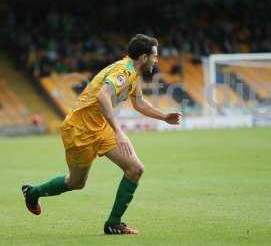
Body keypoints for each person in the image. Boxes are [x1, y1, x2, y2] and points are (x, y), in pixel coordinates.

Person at [22, 34, 182, 235]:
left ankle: (113, 223)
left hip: (100, 127)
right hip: (79, 130)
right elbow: (102, 95)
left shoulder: (133, 74)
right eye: (154, 56)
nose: (156, 60)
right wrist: (119, 131)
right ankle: (33, 192)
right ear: (143, 57)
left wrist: (164, 116)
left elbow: (139, 102)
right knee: (76, 183)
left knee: (135, 168)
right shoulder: (124, 70)